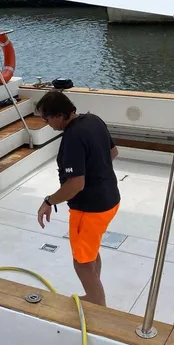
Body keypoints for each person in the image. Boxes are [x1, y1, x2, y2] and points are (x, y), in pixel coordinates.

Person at [35, 91, 120, 306]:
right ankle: (95, 288)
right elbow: (113, 153)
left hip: (90, 209)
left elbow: (75, 185)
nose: (46, 123)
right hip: (110, 199)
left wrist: (48, 201)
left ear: (59, 115)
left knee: (81, 262)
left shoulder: (73, 137)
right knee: (90, 251)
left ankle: (96, 302)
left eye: (46, 118)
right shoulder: (94, 120)